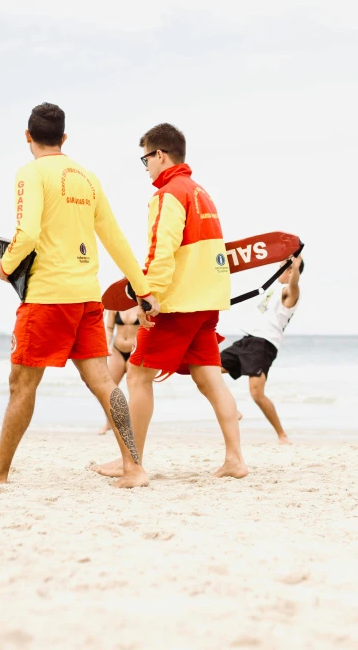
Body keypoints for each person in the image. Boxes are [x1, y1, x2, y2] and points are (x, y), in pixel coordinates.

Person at [0, 102, 159, 489]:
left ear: (28, 136)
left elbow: (27, 232)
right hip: (85, 296)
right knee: (104, 381)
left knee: (21, 384)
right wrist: (143, 290)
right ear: (64, 138)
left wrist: (6, 266)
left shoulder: (30, 174)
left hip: (47, 297)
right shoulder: (88, 177)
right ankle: (134, 467)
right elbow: (114, 239)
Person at [92, 123, 248, 483]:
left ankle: (132, 462)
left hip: (179, 303)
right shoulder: (202, 193)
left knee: (138, 375)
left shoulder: (168, 195)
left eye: (145, 158)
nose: (146, 166)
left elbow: (161, 252)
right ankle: (235, 459)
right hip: (208, 303)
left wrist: (148, 297)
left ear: (160, 155)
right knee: (210, 378)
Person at [220, 255, 304, 444]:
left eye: (282, 267)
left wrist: (296, 269)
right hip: (248, 339)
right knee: (209, 368)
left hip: (263, 345)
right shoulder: (274, 289)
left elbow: (294, 285)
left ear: (290, 271)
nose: (277, 269)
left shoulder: (290, 293)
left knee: (257, 393)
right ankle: (232, 410)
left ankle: (282, 435)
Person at [98, 307, 140, 434]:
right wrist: (107, 346)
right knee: (109, 389)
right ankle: (109, 423)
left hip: (135, 351)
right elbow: (109, 328)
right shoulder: (116, 306)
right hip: (117, 350)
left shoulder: (143, 305)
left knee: (135, 389)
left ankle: (133, 424)